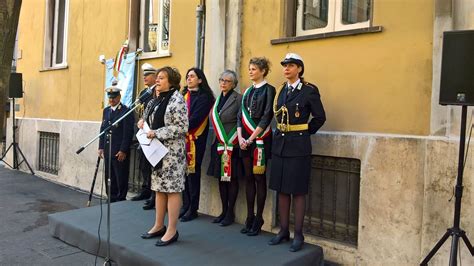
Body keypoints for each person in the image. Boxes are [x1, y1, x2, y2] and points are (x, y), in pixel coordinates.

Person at [268, 53, 326, 252]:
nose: (286, 69)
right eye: (284, 65)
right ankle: (283, 230)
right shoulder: (281, 90)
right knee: (282, 189)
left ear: (299, 69)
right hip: (280, 146)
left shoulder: (309, 90)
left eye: (291, 65)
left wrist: (304, 132)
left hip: (298, 146)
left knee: (298, 191)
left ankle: (298, 234)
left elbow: (320, 117)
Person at [139, 67, 188, 246]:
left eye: (161, 78)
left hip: (172, 153)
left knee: (173, 190)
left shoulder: (177, 100)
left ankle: (172, 230)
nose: (157, 81)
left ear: (171, 81)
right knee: (159, 189)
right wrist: (142, 122)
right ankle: (158, 225)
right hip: (156, 152)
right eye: (157, 78)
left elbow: (182, 127)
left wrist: (156, 132)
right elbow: (147, 117)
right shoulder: (155, 100)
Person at [237, 57, 275, 236]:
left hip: (260, 141)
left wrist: (251, 138)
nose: (250, 71)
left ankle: (259, 218)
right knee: (248, 178)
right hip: (244, 141)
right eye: (249, 68)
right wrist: (240, 138)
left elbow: (267, 116)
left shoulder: (269, 90)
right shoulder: (247, 91)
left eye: (253, 69)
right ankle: (249, 216)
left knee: (259, 179)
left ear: (263, 71)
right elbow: (240, 116)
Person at [179, 68, 215, 222]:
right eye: (187, 76)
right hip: (181, 139)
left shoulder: (205, 97)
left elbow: (195, 119)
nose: (189, 78)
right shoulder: (183, 95)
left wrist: (177, 128)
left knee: (193, 174)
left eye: (192, 76)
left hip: (196, 139)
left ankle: (193, 208)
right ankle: (185, 205)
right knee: (183, 174)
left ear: (200, 80)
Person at [208, 70, 242, 226]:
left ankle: (230, 213)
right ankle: (223, 211)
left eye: (227, 81)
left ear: (234, 84)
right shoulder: (217, 100)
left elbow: (240, 122)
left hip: (232, 143)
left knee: (232, 179)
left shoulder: (238, 99)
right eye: (221, 79)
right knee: (222, 178)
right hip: (219, 143)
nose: (223, 83)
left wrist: (232, 139)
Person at [98, 84, 135, 202]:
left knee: (121, 176)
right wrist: (101, 147)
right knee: (109, 176)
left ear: (119, 97)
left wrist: (123, 150)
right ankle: (111, 197)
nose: (111, 100)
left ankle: (120, 199)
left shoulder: (125, 111)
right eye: (110, 97)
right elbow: (102, 129)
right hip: (108, 149)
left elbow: (128, 132)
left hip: (119, 150)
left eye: (114, 97)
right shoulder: (106, 111)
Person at [131, 63, 157, 211]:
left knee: (151, 165)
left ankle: (154, 194)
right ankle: (145, 189)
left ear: (154, 77)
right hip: (143, 134)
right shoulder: (143, 93)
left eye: (147, 75)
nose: (144, 78)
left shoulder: (155, 93)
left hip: (152, 133)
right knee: (143, 165)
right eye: (144, 76)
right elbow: (138, 112)